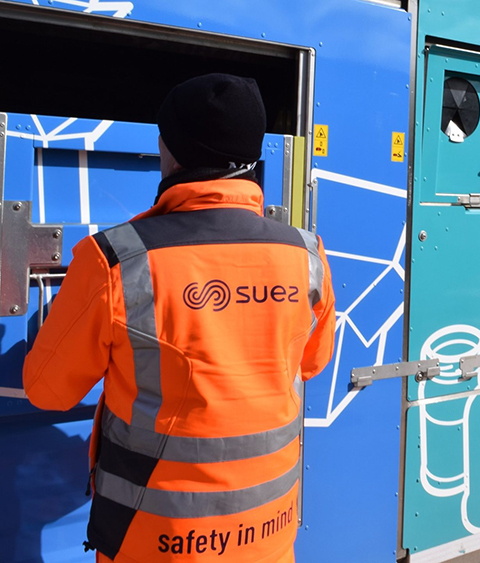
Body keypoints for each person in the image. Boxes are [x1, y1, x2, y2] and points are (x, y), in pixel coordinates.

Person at [22, 73, 336, 563]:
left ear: (170, 151)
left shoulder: (113, 260)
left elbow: (47, 390)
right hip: (269, 534)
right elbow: (311, 363)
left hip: (153, 544)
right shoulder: (306, 254)